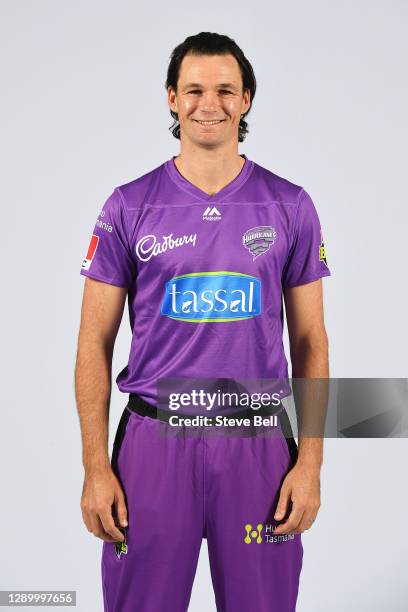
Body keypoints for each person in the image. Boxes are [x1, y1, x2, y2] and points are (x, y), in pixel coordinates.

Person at [75, 31, 331, 612]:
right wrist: (94, 466)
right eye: (193, 90)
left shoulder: (289, 205)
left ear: (245, 100)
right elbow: (94, 340)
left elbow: (311, 341)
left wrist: (311, 462)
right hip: (153, 445)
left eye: (223, 90)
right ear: (171, 98)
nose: (207, 103)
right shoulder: (128, 205)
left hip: (257, 442)